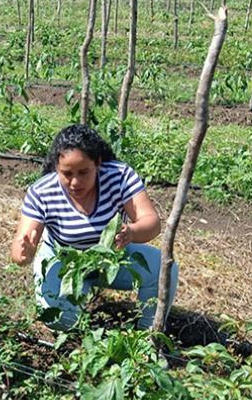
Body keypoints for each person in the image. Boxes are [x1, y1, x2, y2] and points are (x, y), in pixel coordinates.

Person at [10, 124, 178, 331]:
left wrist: (132, 232)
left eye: (83, 172)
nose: (75, 182)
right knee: (60, 321)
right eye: (67, 173)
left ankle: (148, 333)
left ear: (98, 163)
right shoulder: (42, 192)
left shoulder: (119, 176)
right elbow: (21, 246)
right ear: (56, 168)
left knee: (163, 269)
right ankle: (75, 308)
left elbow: (151, 223)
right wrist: (25, 252)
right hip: (66, 264)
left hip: (111, 259)